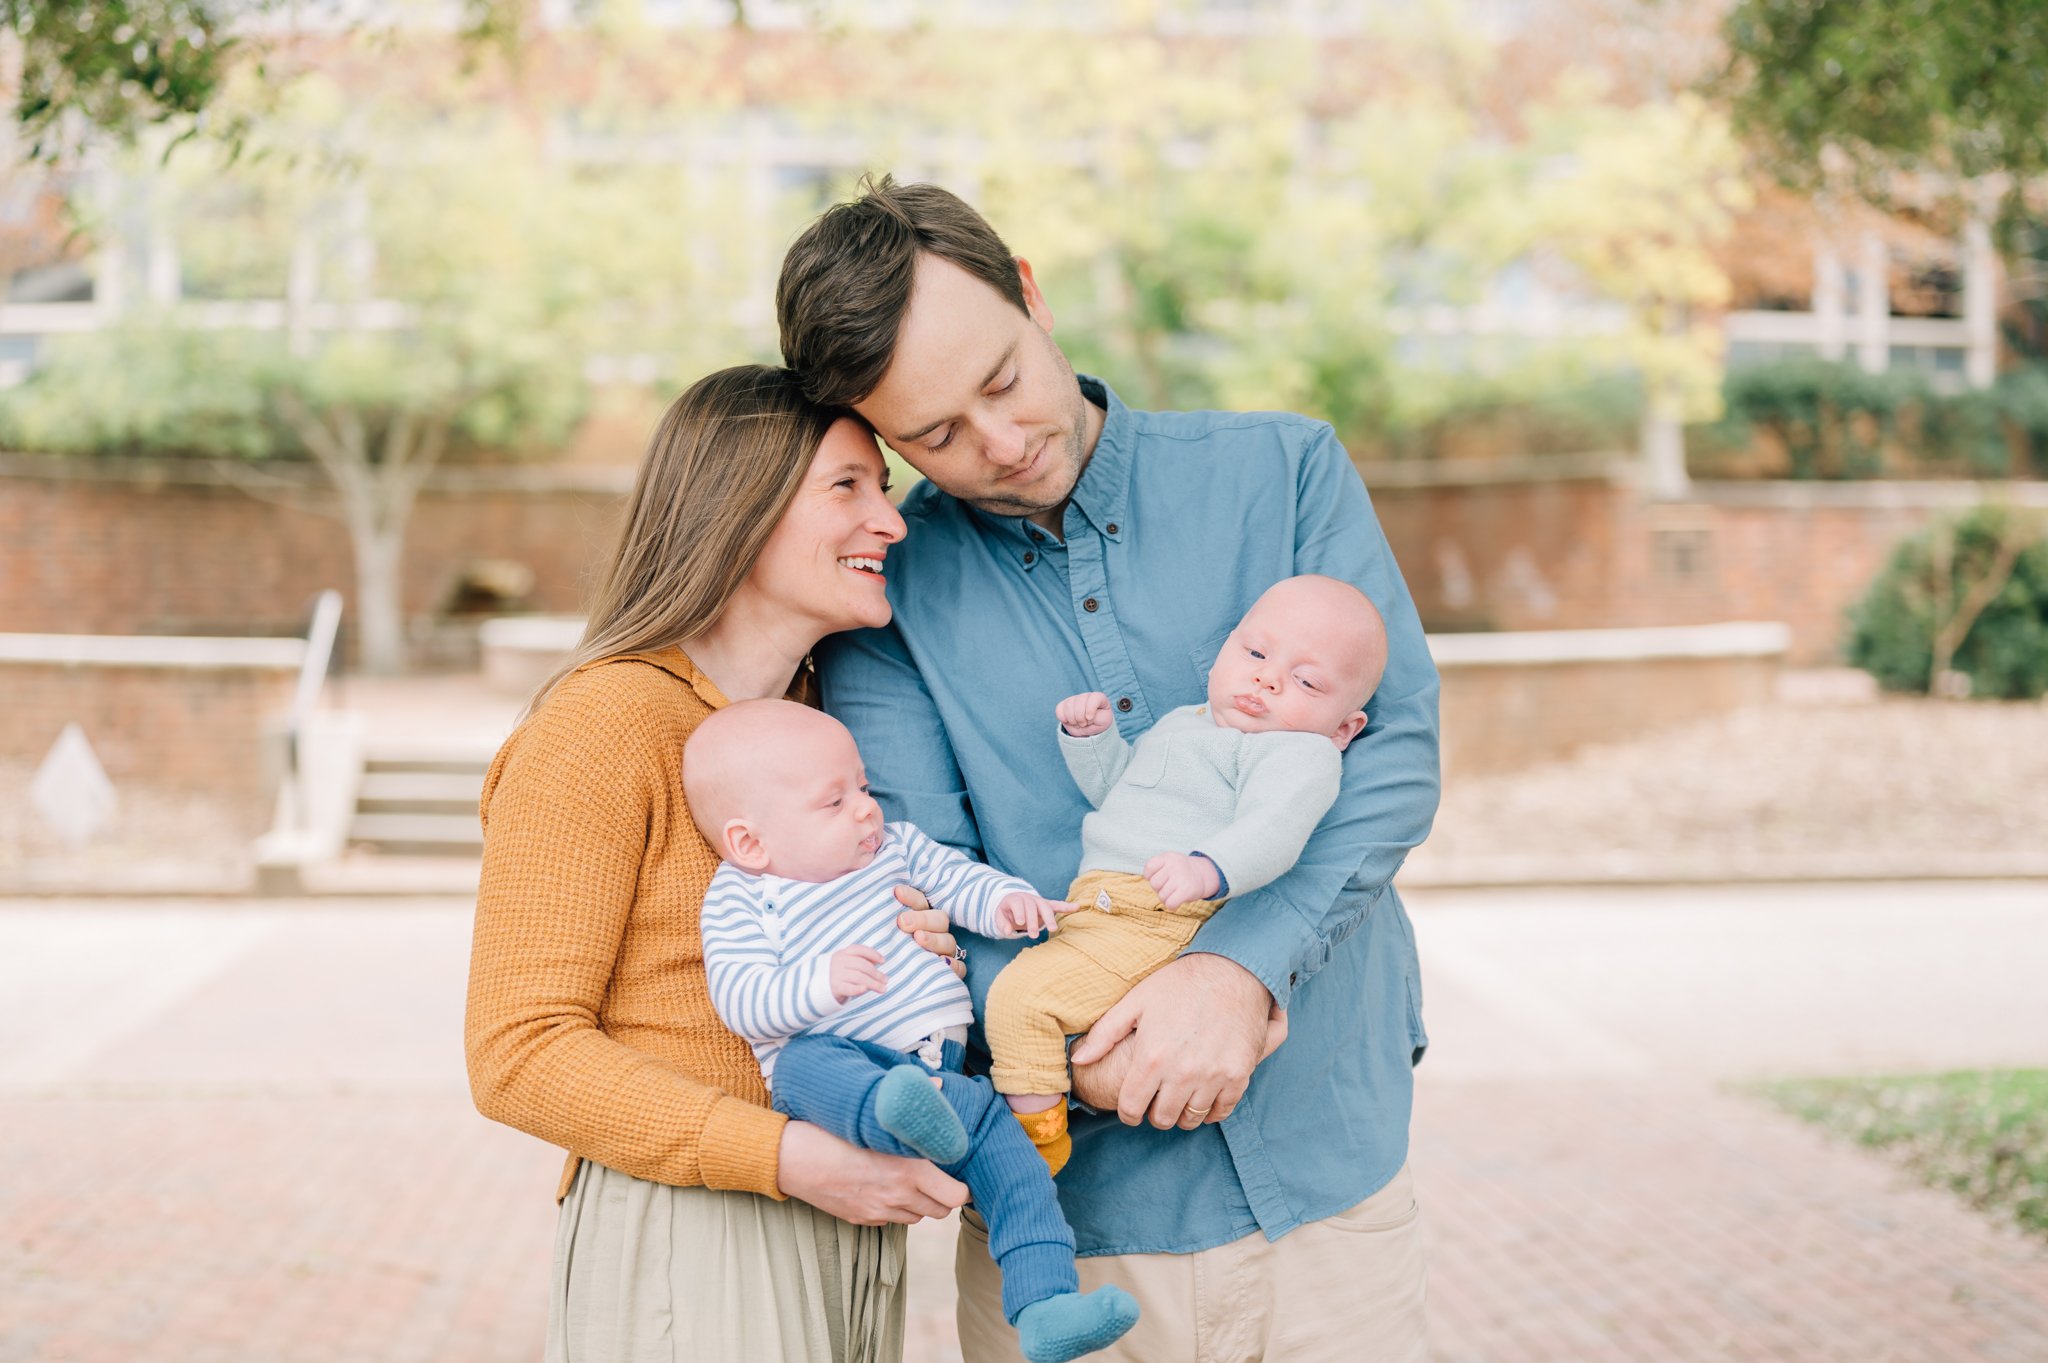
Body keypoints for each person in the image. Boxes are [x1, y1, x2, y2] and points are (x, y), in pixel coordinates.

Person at [780, 177, 1439, 1362]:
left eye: (1000, 382)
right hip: (1067, 1235)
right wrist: (1075, 1052)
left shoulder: (1281, 473)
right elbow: (921, 882)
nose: (998, 442)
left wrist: (1236, 976)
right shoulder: (887, 593)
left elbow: (1390, 756)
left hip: (1328, 1175)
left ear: (1029, 295)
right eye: (933, 434)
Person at [464, 364, 974, 1363]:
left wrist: (921, 951)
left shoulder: (815, 743)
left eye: (885, 487)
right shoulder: (605, 722)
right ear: (737, 509)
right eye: (848, 487)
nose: (892, 522)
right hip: (697, 1229)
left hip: (842, 1221)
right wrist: (783, 1158)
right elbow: (517, 1052)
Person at [685, 698, 1140, 1363]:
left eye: (863, 787)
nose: (867, 808)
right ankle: (890, 1106)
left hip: (939, 1074)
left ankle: (1046, 1303)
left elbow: (958, 881)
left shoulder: (895, 846)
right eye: (833, 801)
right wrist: (820, 982)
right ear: (751, 841)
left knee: (1016, 1167)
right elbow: (742, 1001)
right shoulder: (741, 897)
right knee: (807, 1062)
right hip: (835, 1070)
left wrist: (1008, 901)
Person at [987, 575, 1389, 1175]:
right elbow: (1122, 794)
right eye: (1254, 653)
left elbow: (1274, 832)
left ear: (1343, 729)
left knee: (1023, 1001)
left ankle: (1031, 1155)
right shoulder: (1186, 723)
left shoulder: (1297, 753)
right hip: (1100, 909)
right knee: (1030, 995)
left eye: (1306, 681)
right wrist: (1092, 741)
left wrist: (1209, 869)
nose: (1267, 678)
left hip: (1158, 915)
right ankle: (1020, 1132)